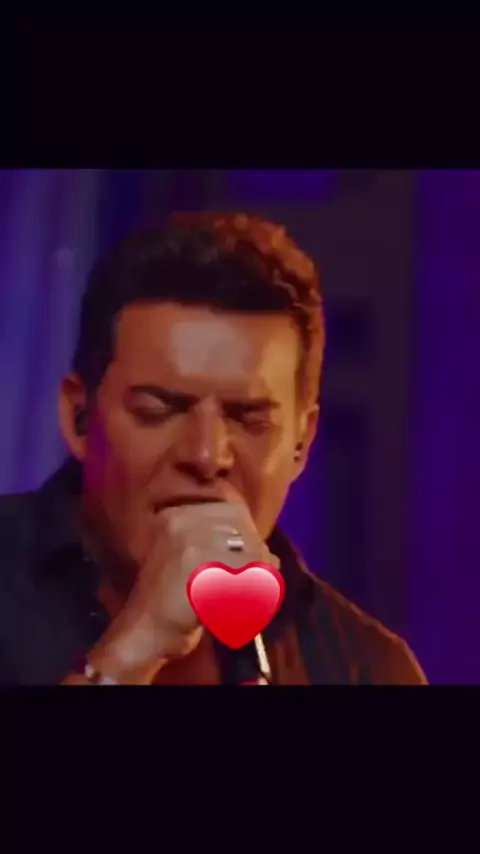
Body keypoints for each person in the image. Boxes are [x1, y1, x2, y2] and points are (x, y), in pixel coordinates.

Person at [0, 212, 427, 685]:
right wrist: (134, 648)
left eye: (249, 419)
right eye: (159, 409)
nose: (206, 456)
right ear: (79, 418)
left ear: (301, 443)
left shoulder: (366, 666)